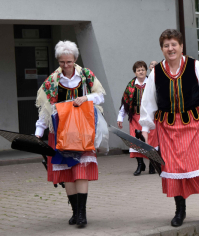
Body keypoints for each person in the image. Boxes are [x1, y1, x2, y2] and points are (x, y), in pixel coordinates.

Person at [139, 29, 199, 227]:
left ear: (181, 46)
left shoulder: (194, 65)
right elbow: (148, 102)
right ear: (162, 49)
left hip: (194, 126)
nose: (171, 49)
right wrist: (145, 128)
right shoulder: (156, 72)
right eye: (166, 45)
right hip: (167, 129)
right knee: (172, 168)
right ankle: (180, 210)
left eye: (174, 44)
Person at [35, 40, 106, 227]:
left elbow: (100, 96)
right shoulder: (52, 81)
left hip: (82, 130)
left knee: (81, 172)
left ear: (75, 59)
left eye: (69, 61)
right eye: (62, 62)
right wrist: (38, 131)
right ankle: (75, 212)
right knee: (67, 174)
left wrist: (85, 98)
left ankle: (82, 215)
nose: (66, 66)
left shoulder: (86, 75)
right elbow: (45, 109)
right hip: (59, 132)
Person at [117, 61, 157, 175]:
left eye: (143, 69)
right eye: (138, 70)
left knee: (151, 141)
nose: (141, 72)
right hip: (135, 117)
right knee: (136, 141)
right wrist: (120, 117)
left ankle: (152, 165)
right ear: (135, 72)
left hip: (150, 117)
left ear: (146, 71)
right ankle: (140, 164)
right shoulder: (131, 85)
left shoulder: (151, 83)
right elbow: (125, 103)